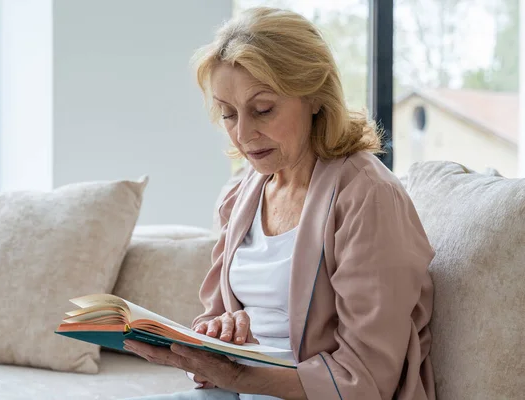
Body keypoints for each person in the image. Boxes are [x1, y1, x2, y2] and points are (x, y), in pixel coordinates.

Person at [124, 7, 436, 400]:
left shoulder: (366, 195)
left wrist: (237, 378)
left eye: (263, 110)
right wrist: (217, 336)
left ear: (315, 96)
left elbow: (366, 379)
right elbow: (213, 316)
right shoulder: (240, 196)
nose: (243, 133)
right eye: (228, 114)